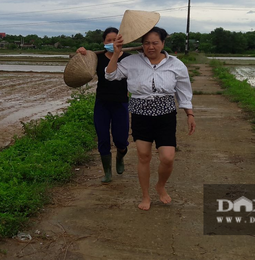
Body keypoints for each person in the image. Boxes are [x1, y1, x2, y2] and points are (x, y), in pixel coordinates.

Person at [105, 26, 196, 210]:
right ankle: (145, 196)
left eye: (155, 43)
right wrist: (116, 54)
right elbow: (111, 75)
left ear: (163, 43)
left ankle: (160, 185)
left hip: (165, 114)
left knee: (168, 157)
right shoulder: (132, 62)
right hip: (141, 114)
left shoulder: (176, 64)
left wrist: (189, 114)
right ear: (142, 45)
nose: (151, 47)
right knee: (144, 156)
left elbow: (184, 91)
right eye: (147, 43)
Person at [77, 27, 132, 183]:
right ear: (104, 42)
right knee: (102, 137)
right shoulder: (97, 58)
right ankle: (107, 172)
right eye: (109, 40)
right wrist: (82, 53)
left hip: (121, 103)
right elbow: (82, 64)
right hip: (102, 103)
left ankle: (121, 155)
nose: (112, 43)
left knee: (121, 139)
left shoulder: (128, 58)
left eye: (115, 40)